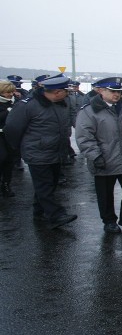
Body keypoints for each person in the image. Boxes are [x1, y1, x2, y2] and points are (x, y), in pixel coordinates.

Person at [4, 76, 78, 228]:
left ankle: (39, 212)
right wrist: (20, 148)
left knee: (49, 184)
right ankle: (55, 215)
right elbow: (12, 129)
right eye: (66, 91)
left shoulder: (60, 104)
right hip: (37, 153)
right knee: (44, 185)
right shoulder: (27, 106)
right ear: (57, 92)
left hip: (56, 152)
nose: (68, 94)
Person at [75, 77, 122, 233]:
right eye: (112, 91)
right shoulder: (89, 111)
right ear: (100, 91)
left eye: (119, 92)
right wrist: (95, 156)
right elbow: (84, 137)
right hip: (104, 159)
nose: (117, 95)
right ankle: (109, 221)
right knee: (105, 193)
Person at [0, 80, 18, 197]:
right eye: (8, 92)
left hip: (9, 136)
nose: (11, 94)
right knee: (2, 159)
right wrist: (7, 111)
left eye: (11, 92)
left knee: (9, 161)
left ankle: (6, 185)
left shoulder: (14, 102)